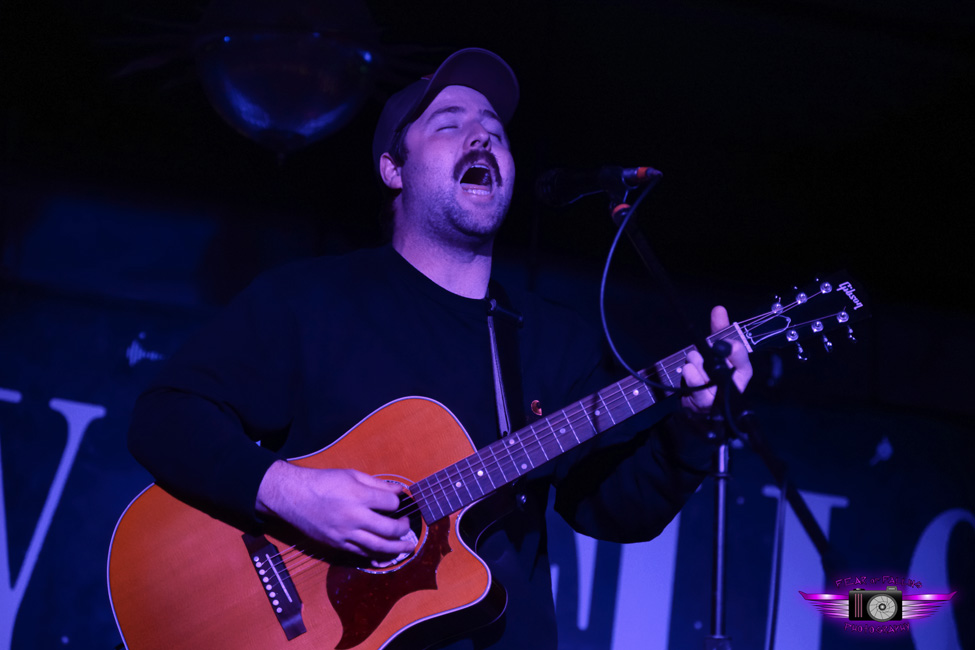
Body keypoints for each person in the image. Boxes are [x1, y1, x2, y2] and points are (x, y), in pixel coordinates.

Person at [127, 48, 752, 649]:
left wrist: (694, 426)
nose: (482, 137)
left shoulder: (554, 339)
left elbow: (617, 509)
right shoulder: (314, 299)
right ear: (393, 169)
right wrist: (292, 494)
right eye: (449, 124)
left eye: (495, 131)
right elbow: (165, 416)